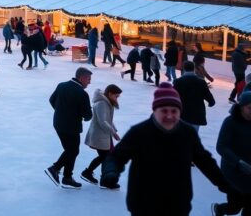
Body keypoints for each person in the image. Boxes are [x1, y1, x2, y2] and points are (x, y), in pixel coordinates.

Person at [100, 83, 229, 216]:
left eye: (174, 111)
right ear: (155, 110)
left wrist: (226, 185)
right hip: (143, 204)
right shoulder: (139, 133)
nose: (169, 116)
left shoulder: (187, 133)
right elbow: (116, 156)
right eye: (164, 111)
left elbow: (205, 161)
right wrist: (111, 170)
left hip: (178, 204)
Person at [45, 67, 93, 189]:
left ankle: (67, 177)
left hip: (58, 124)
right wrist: (85, 116)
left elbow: (51, 100)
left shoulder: (61, 85)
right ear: (81, 78)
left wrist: (61, 112)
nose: (89, 82)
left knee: (71, 151)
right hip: (71, 127)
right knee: (72, 151)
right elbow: (87, 115)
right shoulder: (82, 93)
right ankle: (55, 169)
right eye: (88, 79)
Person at [212, 86, 251, 216]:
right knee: (235, 207)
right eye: (250, 108)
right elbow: (221, 146)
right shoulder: (230, 122)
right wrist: (239, 163)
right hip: (234, 172)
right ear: (241, 107)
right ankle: (219, 209)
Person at [80, 84, 122, 186]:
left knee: (105, 157)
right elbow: (103, 122)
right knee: (106, 157)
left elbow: (108, 120)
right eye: (116, 96)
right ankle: (101, 179)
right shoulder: (102, 103)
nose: (117, 99)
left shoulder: (106, 102)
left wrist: (114, 131)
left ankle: (92, 174)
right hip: (100, 135)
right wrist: (113, 133)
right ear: (110, 93)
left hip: (104, 135)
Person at [174, 61, 215, 134]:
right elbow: (209, 96)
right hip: (197, 114)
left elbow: (172, 97)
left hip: (183, 113)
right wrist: (211, 102)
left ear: (184, 69)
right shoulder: (201, 82)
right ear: (194, 69)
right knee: (193, 135)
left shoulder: (178, 82)